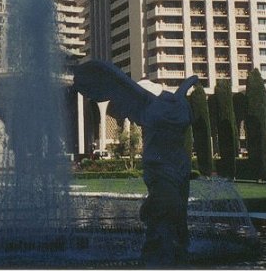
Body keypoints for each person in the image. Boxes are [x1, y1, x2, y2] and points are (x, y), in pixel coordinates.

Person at [73, 60, 197, 267]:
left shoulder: (175, 105)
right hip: (160, 165)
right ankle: (158, 246)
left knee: (178, 215)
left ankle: (172, 249)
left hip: (178, 164)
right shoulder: (156, 106)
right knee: (170, 205)